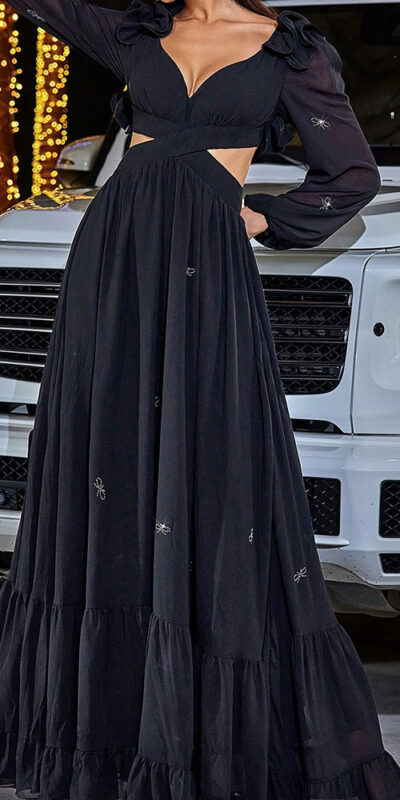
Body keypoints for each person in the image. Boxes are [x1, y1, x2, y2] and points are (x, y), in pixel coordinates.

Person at [0, 0, 399, 798]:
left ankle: (199, 730)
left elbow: (351, 175)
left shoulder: (289, 48)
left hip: (205, 275)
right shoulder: (135, 32)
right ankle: (96, 730)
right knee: (109, 470)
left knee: (208, 465)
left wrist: (262, 219)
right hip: (113, 267)